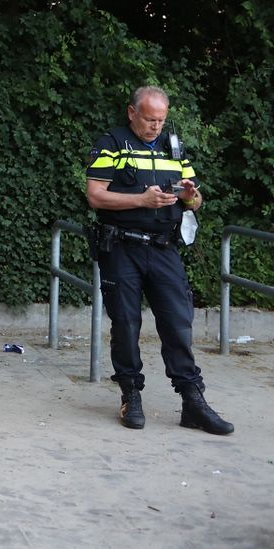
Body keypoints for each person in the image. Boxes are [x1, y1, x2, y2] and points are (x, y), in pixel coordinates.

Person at [85, 85, 232, 434]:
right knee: (125, 324)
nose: (155, 127)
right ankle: (130, 394)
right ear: (132, 112)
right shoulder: (111, 144)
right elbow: (95, 197)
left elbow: (195, 201)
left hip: (165, 247)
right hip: (122, 247)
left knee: (179, 324)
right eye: (150, 119)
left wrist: (192, 197)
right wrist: (141, 200)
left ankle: (192, 400)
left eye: (161, 120)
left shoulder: (173, 147)